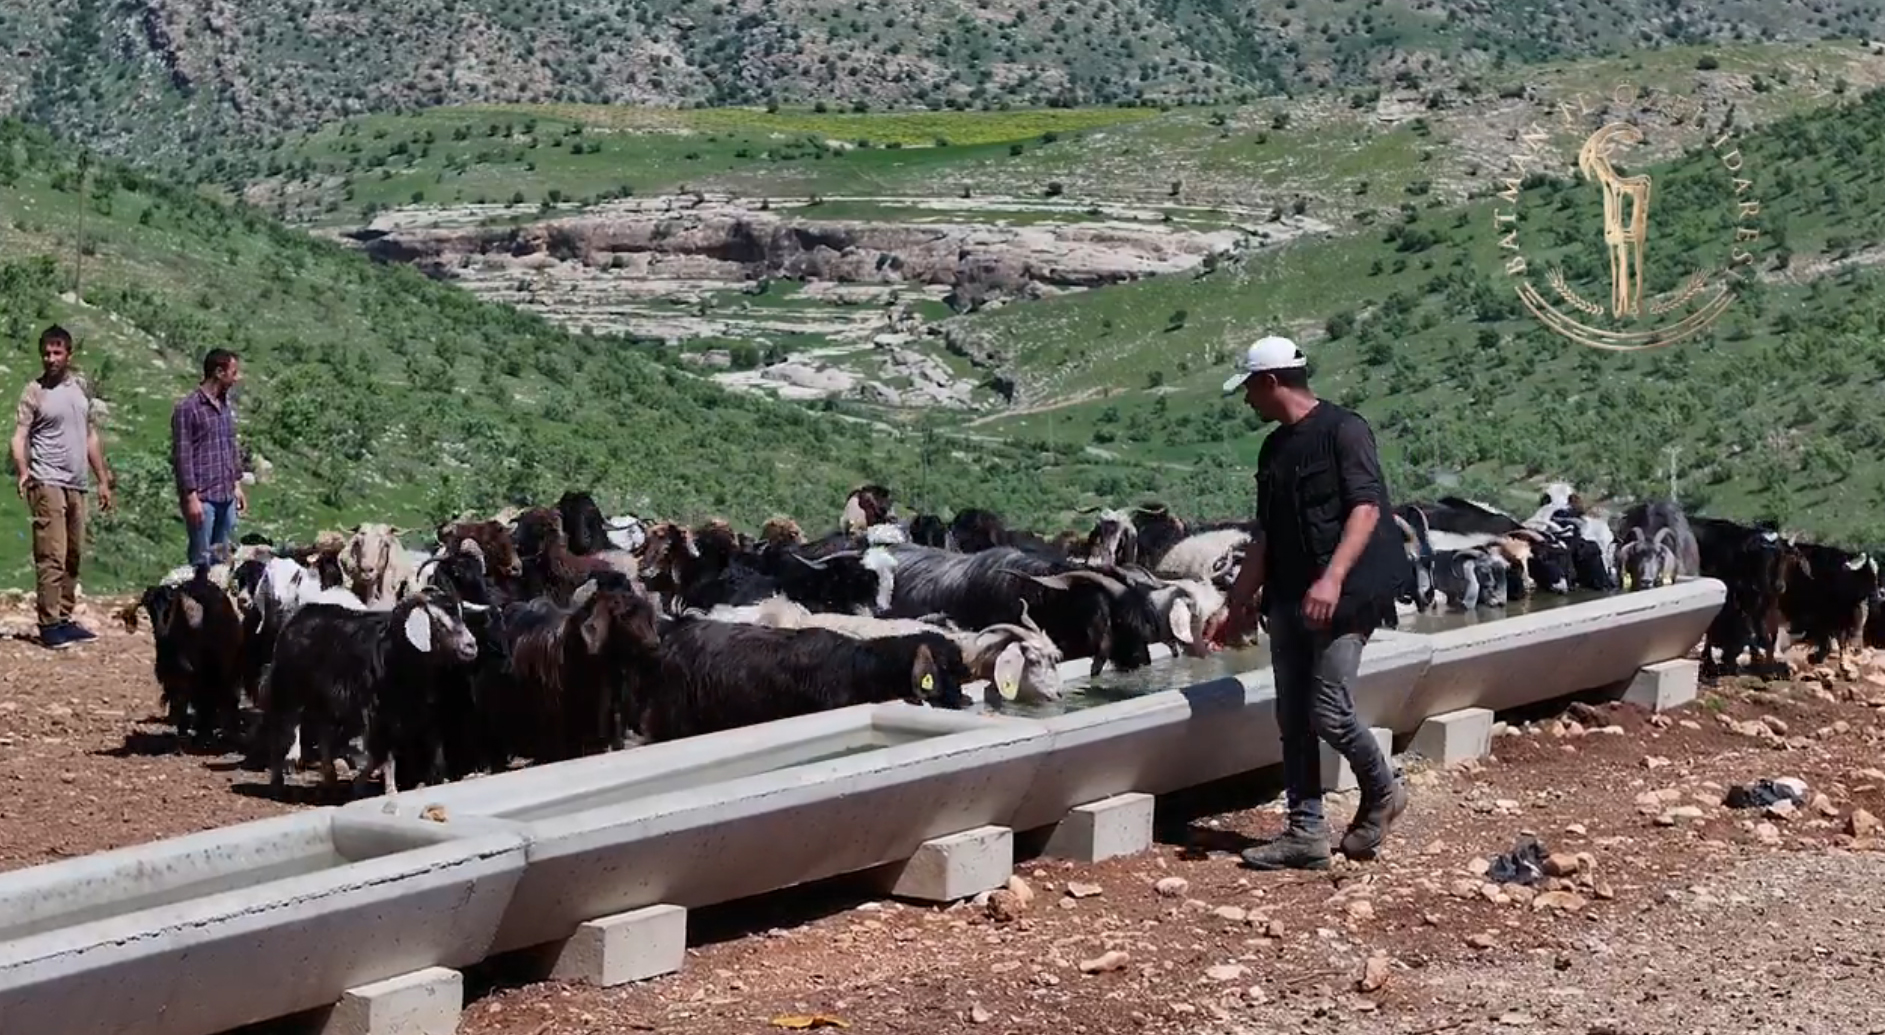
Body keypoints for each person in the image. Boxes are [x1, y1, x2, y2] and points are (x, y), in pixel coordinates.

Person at [1205, 335, 1410, 871]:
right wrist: (1235, 604)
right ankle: (1305, 833)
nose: (1248, 399)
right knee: (1292, 716)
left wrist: (1332, 579)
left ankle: (1384, 790)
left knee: (1328, 709)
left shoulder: (1345, 430)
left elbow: (1365, 509)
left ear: (1271, 382)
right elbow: (1265, 537)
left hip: (1347, 595)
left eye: (1250, 387)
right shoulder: (1274, 449)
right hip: (1290, 597)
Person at [11, 325, 113, 650]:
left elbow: (90, 436)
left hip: (77, 482)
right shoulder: (34, 391)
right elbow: (19, 436)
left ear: (69, 354)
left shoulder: (79, 388)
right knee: (51, 553)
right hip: (47, 479)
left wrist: (103, 479)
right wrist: (23, 469)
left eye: (57, 352)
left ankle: (65, 618)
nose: (50, 358)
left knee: (73, 553)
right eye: (46, 352)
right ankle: (49, 623)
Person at [171, 348, 246, 567]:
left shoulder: (224, 406)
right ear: (219, 373)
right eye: (233, 372)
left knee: (224, 558)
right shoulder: (188, 408)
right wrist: (191, 498)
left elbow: (230, 446)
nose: (236, 378)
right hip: (203, 498)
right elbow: (182, 456)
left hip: (226, 495)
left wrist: (237, 484)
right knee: (201, 559)